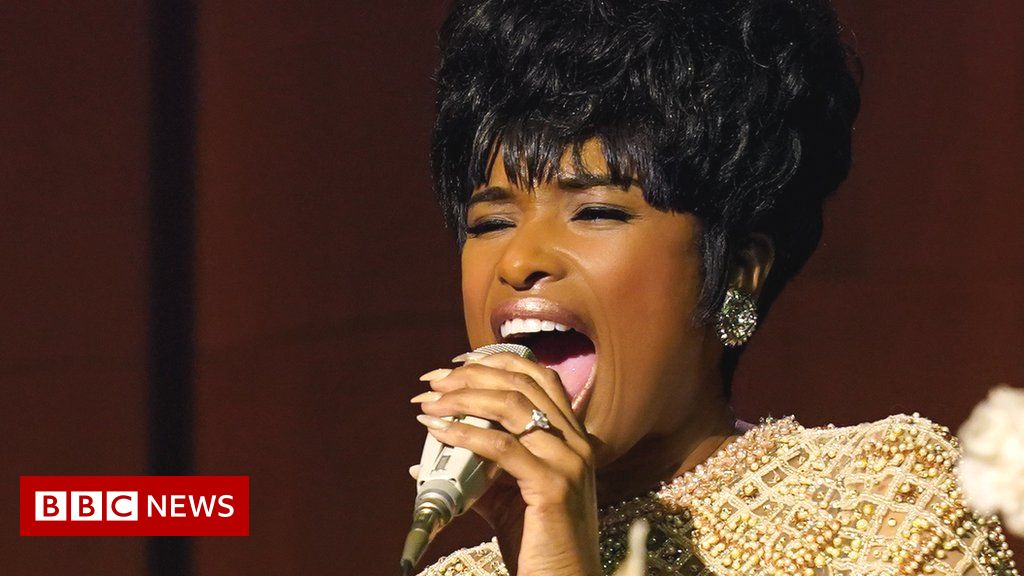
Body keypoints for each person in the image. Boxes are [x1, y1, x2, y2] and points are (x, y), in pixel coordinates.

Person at [407, 1, 1020, 575]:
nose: (519, 261)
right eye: (489, 223)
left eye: (596, 212)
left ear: (736, 269)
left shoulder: (883, 495)